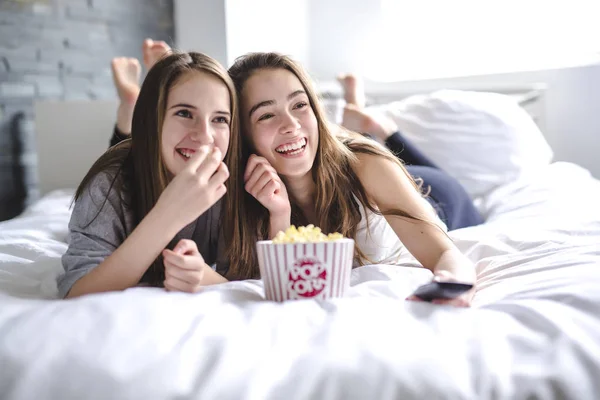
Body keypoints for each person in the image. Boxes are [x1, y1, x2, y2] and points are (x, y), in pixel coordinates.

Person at [222, 52, 478, 307]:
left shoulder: (369, 165)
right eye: (266, 115)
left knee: (374, 153)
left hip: (441, 197)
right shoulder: (242, 196)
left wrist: (453, 284)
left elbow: (446, 253)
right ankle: (356, 114)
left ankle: (381, 128)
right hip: (341, 161)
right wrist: (280, 214)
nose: (291, 124)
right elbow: (286, 286)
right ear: (242, 134)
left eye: (300, 105)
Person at [57, 49, 237, 298]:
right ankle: (128, 110)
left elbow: (244, 281)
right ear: (153, 118)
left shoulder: (234, 185)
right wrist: (168, 215)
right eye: (184, 113)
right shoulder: (107, 184)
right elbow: (77, 290)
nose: (205, 135)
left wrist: (204, 276)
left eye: (219, 119)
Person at [337, 74, 483, 230]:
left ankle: (384, 131)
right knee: (366, 166)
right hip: (441, 193)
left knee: (370, 165)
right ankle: (370, 126)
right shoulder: (474, 220)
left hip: (432, 184)